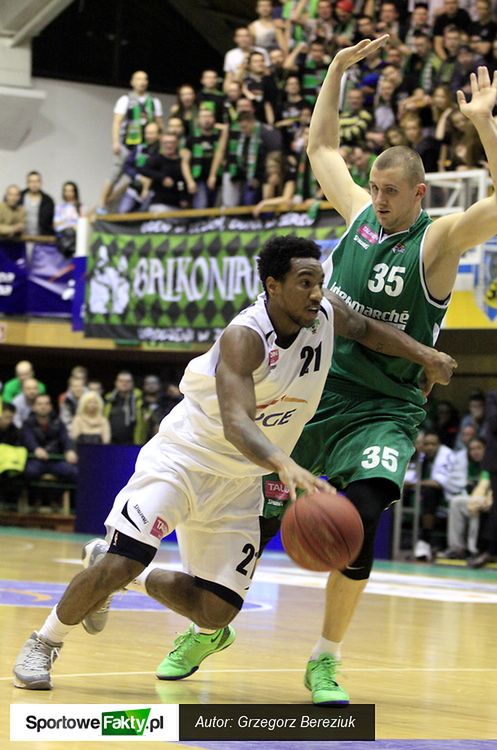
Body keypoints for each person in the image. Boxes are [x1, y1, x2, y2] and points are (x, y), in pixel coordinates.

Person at [12, 235, 454, 691]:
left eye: (320, 282)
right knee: (124, 560)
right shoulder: (244, 337)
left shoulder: (323, 314)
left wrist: (426, 355)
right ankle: (45, 641)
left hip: (241, 482)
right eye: (305, 283)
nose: (317, 293)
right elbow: (237, 423)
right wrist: (285, 463)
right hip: (184, 461)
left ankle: (122, 573)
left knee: (215, 611)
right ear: (273, 286)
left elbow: (363, 328)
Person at [259, 37, 497, 705]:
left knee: (359, 519)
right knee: (255, 516)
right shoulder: (362, 214)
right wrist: (335, 71)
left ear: (419, 193)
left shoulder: (438, 239)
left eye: (391, 192)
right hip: (316, 392)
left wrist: (483, 123)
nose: (379, 199)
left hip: (385, 408)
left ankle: (324, 660)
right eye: (374, 189)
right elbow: (321, 148)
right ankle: (214, 620)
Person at [20, 172, 54, 236]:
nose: (34, 184)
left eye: (37, 181)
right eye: (31, 181)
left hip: (42, 238)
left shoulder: (48, 201)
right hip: (20, 237)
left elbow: (50, 221)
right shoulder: (19, 197)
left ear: (41, 182)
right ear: (27, 183)